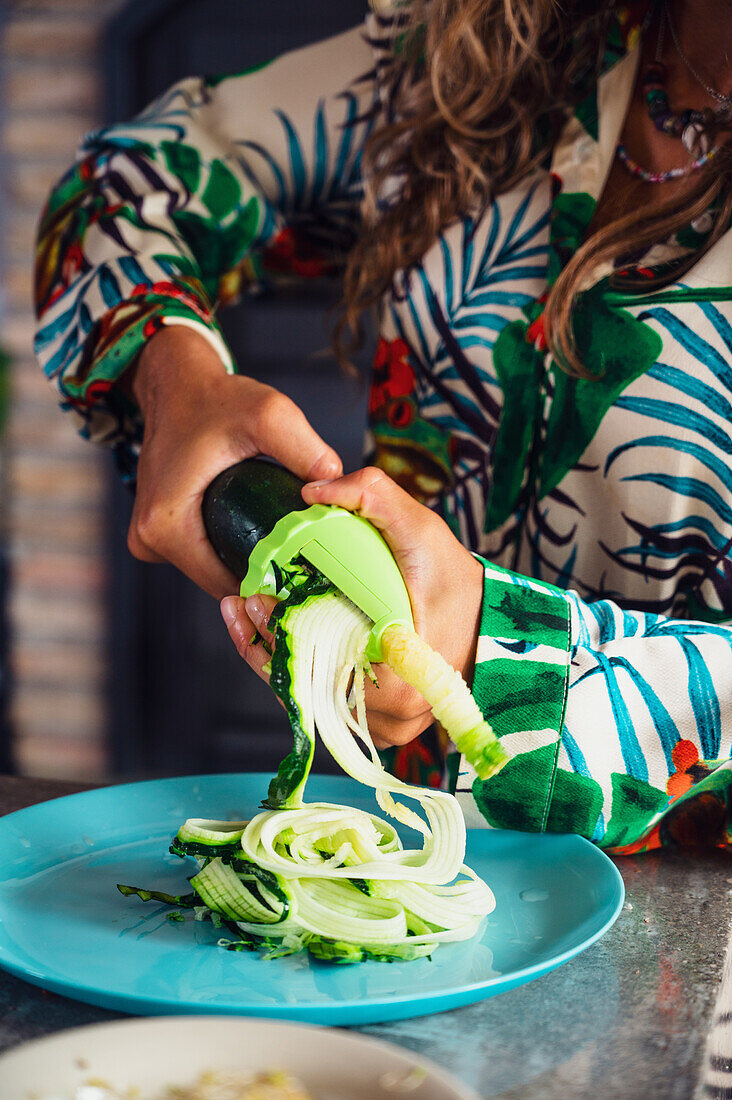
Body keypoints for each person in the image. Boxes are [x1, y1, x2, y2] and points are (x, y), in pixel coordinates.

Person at [34, 0, 732, 851]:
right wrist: (172, 373)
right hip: (402, 846)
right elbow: (123, 185)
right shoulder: (499, 48)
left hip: (686, 928)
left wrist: (493, 645)